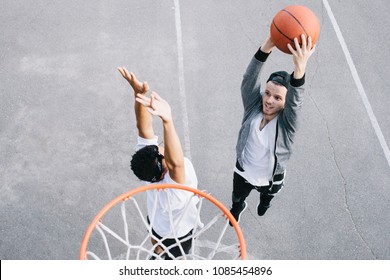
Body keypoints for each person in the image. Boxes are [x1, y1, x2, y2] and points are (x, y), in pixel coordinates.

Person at [230, 33, 316, 224]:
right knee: (237, 196)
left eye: (277, 98)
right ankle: (238, 207)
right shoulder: (253, 108)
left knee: (266, 199)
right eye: (267, 93)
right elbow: (249, 79)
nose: (269, 100)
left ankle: (265, 202)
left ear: (285, 103)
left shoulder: (287, 125)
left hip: (270, 180)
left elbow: (296, 101)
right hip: (244, 171)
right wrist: (267, 46)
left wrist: (300, 67)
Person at [118, 67, 201, 259]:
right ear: (165, 168)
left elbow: (144, 128)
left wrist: (138, 94)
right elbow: (176, 164)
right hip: (177, 235)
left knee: (155, 240)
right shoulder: (175, 189)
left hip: (156, 221)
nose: (159, 144)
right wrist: (167, 121)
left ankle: (157, 250)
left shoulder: (148, 167)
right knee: (174, 258)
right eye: (161, 148)